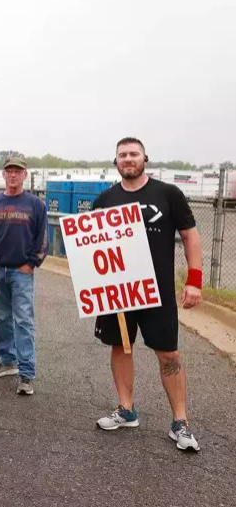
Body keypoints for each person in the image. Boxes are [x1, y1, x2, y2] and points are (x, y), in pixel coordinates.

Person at [92, 137, 203, 452]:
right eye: (122, 154)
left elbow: (191, 237)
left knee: (169, 354)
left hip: (158, 294)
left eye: (134, 154)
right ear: (116, 161)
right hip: (119, 295)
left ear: (145, 158)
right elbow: (94, 249)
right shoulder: (104, 199)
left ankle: (180, 422)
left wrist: (194, 280)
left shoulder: (168, 194)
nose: (128, 158)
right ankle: (126, 410)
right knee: (122, 346)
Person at [0, 156, 48, 396]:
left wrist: (33, 263)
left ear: (25, 174)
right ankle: (8, 360)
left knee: (24, 320)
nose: (13, 175)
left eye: (18, 171)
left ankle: (26, 373)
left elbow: (43, 237)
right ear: (4, 175)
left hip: (21, 272)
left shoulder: (36, 204)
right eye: (9, 171)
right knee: (4, 318)